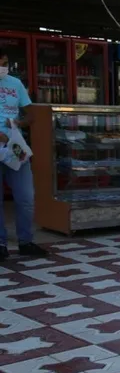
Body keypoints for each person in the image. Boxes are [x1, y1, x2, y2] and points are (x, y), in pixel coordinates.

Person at [0, 48, 47, 262]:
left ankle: (25, 242)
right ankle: (0, 245)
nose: (3, 67)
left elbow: (31, 113)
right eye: (0, 63)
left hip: (15, 147)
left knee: (26, 197)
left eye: (5, 62)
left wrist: (22, 122)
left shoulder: (15, 84)